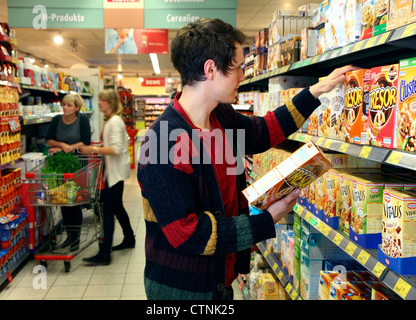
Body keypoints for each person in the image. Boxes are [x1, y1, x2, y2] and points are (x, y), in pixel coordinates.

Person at [137, 17, 359, 300]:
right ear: (211, 69)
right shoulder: (162, 142)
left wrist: (316, 91)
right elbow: (188, 233)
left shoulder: (220, 117)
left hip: (219, 278)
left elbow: (263, 132)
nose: (244, 75)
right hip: (184, 289)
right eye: (239, 67)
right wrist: (267, 220)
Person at [80, 89, 134, 265]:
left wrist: (92, 149)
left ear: (110, 102)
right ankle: (129, 238)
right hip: (113, 172)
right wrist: (101, 145)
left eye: (103, 100)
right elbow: (115, 144)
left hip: (115, 173)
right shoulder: (111, 120)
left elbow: (116, 149)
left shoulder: (115, 121)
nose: (99, 102)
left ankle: (104, 254)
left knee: (108, 212)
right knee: (117, 207)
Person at [46, 93, 91, 251]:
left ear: (77, 107)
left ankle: (75, 237)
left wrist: (71, 147)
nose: (65, 108)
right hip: (61, 164)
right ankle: (69, 236)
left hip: (77, 163)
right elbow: (49, 139)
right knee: (62, 200)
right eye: (64, 105)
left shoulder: (83, 120)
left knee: (74, 201)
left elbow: (86, 141)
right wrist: (61, 144)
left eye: (69, 105)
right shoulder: (57, 120)